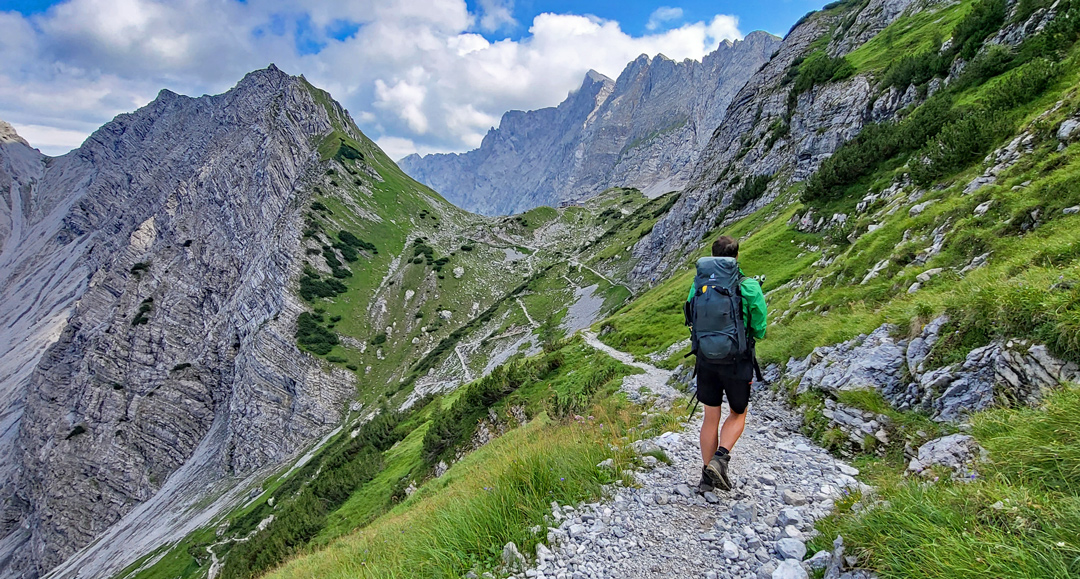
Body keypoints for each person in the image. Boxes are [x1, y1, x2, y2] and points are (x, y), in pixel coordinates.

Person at [685, 235, 767, 492]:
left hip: (706, 360)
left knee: (710, 416)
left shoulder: (698, 284)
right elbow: (760, 327)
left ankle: (706, 478)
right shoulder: (749, 286)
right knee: (738, 413)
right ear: (736, 257)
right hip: (737, 361)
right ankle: (720, 460)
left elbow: (689, 316)